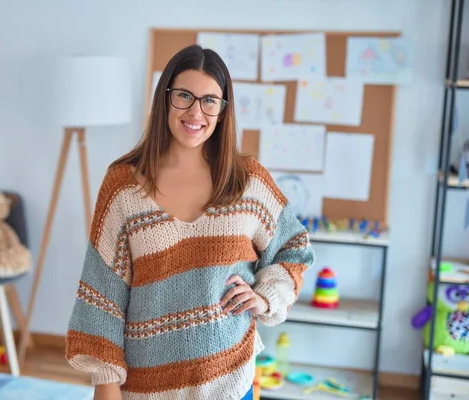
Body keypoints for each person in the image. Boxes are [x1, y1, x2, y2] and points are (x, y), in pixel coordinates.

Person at [65, 44, 315, 400]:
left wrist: (265, 296)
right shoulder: (123, 186)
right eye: (184, 96)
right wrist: (105, 383)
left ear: (223, 109)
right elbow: (103, 292)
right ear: (165, 97)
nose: (196, 111)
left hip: (230, 380)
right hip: (146, 388)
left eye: (210, 100)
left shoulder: (248, 181)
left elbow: (294, 247)